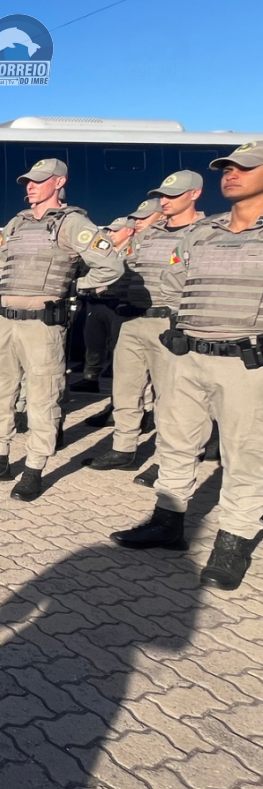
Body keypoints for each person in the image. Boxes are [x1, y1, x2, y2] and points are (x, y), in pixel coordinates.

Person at [112, 141, 263, 590]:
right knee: (176, 442)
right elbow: (176, 282)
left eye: (245, 168)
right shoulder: (202, 232)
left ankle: (232, 542)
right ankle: (168, 522)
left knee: (246, 454)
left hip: (246, 362)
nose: (231, 174)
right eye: (227, 168)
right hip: (189, 354)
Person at [0, 159, 123, 501]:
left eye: (38, 180)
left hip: (42, 326)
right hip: (6, 322)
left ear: (59, 181)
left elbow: (110, 266)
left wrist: (74, 287)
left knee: (42, 398)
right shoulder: (16, 224)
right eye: (27, 182)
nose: (30, 186)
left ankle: (34, 469)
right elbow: (2, 263)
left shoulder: (72, 222)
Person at [86, 172, 204, 477]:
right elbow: (126, 270)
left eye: (173, 195)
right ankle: (123, 449)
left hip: (169, 323)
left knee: (171, 397)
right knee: (125, 389)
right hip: (132, 319)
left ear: (195, 194)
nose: (164, 201)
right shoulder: (148, 235)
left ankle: (168, 459)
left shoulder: (204, 234)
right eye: (162, 195)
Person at [73, 216, 136, 397]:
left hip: (117, 304)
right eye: (109, 230)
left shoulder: (132, 252)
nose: (110, 234)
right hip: (96, 302)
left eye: (116, 230)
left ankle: (118, 385)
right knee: (93, 342)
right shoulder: (103, 251)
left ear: (129, 231)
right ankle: (90, 377)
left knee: (118, 344)